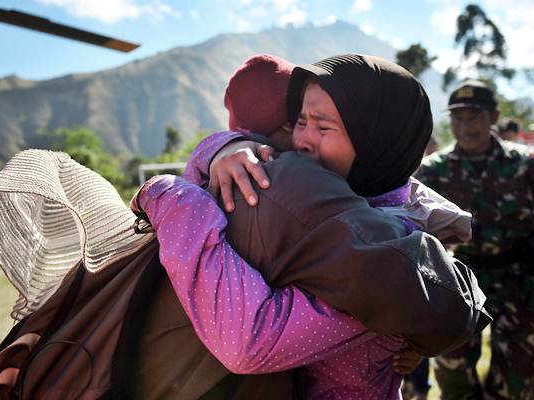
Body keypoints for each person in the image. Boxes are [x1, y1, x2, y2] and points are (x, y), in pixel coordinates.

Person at [133, 54, 488, 399]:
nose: (301, 141)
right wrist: (226, 146)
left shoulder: (380, 251)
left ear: (377, 139)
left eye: (323, 126)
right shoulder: (350, 198)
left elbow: (250, 342)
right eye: (300, 121)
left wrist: (171, 196)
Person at [416, 80, 534, 399]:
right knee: (452, 371)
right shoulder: (432, 171)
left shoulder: (524, 164)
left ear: (494, 116)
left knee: (518, 376)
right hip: (459, 283)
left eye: (475, 117)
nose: (465, 126)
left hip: (518, 282)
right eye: (458, 118)